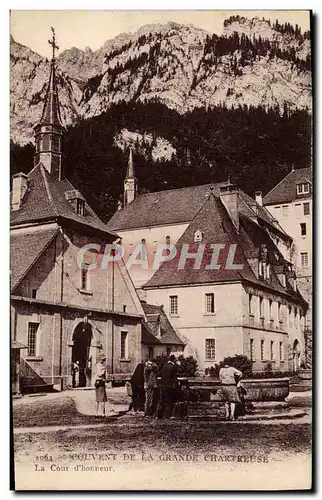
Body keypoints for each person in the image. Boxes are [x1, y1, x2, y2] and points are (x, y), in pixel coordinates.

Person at [156, 355, 179, 419]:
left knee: (161, 400)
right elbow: (174, 377)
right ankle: (168, 415)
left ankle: (158, 415)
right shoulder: (173, 366)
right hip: (169, 385)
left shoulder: (164, 366)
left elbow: (160, 374)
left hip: (162, 385)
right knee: (169, 400)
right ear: (173, 360)